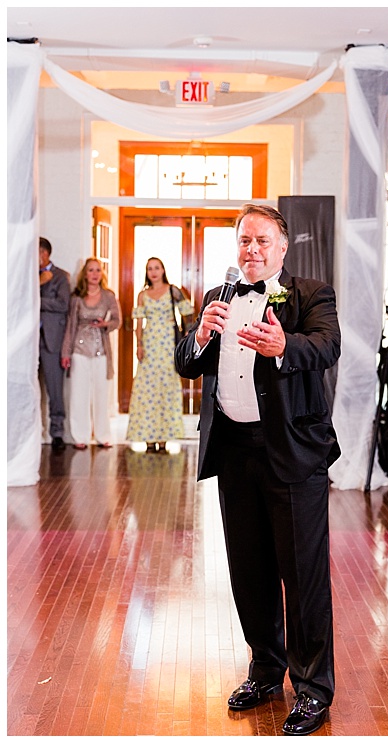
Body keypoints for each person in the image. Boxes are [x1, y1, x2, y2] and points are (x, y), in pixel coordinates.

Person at [175, 203, 340, 735]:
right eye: (245, 240)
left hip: (293, 452)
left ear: (282, 247)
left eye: (262, 241)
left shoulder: (312, 293)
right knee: (250, 570)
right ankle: (266, 669)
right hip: (235, 452)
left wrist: (283, 344)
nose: (252, 249)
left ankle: (313, 689)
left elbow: (328, 345)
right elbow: (185, 362)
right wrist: (200, 336)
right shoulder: (216, 298)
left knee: (304, 575)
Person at [127, 257, 193, 452]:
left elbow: (188, 314)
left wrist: (187, 337)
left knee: (167, 388)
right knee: (147, 391)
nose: (154, 272)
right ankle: (148, 438)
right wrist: (139, 345)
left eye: (157, 268)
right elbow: (138, 323)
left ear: (163, 270)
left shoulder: (173, 291)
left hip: (169, 345)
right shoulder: (142, 295)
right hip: (150, 345)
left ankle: (164, 439)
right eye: (150, 269)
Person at [62, 256, 120, 449]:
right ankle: (80, 437)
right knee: (79, 394)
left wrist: (106, 324)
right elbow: (70, 326)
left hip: (101, 350)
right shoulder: (77, 298)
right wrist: (66, 353)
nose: (95, 274)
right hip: (79, 350)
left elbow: (117, 321)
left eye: (98, 270)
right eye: (91, 270)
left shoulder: (109, 296)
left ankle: (103, 435)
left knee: (101, 394)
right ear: (85, 275)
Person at [38, 237, 70, 451]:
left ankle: (57, 432)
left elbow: (62, 304)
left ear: (46, 253)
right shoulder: (25, 276)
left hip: (52, 340)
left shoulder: (61, 276)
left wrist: (34, 297)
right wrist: (35, 285)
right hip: (27, 340)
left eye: (38, 252)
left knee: (54, 389)